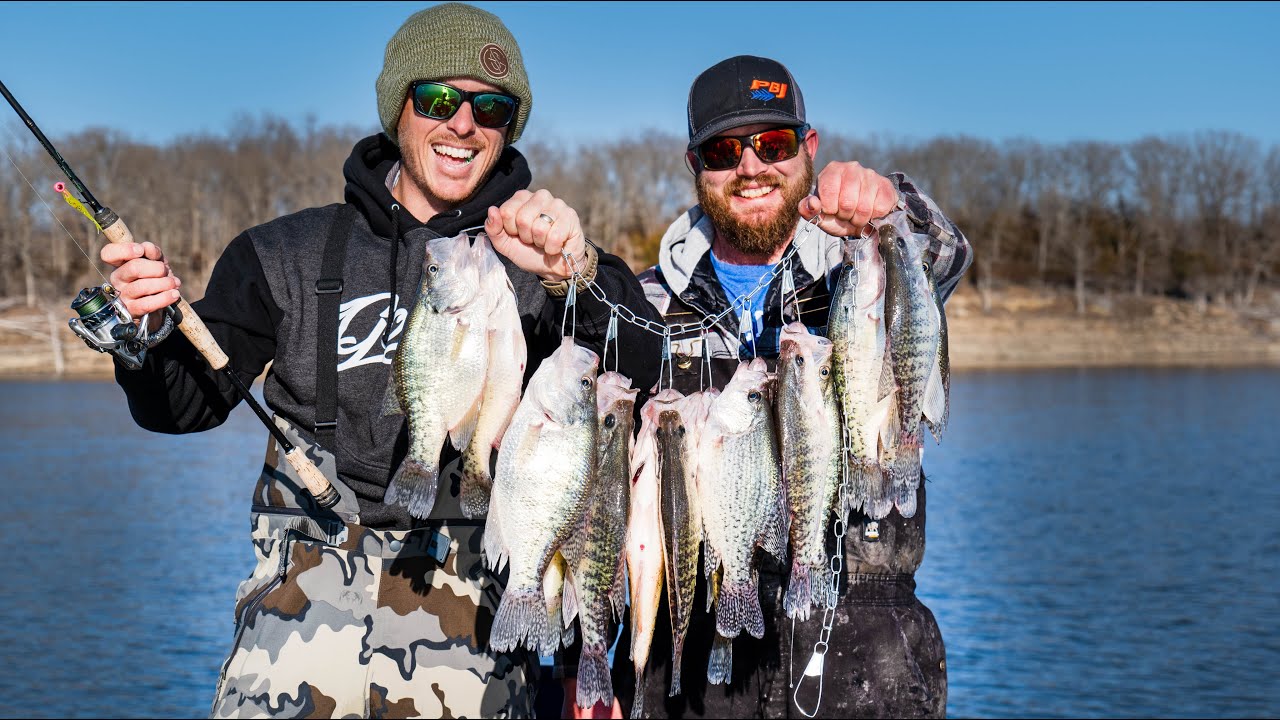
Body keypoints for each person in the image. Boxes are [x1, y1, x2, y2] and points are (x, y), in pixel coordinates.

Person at [100, 3, 661, 717]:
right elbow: (181, 407)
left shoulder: (539, 258)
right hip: (291, 634)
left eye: (490, 108)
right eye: (437, 99)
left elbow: (642, 369)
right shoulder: (282, 254)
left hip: (473, 644)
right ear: (397, 108)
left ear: (509, 128)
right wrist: (141, 333)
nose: (463, 124)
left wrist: (577, 272)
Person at [607, 55, 974, 718]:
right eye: (724, 150)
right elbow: (610, 501)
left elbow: (946, 256)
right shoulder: (642, 304)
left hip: (866, 661)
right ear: (696, 166)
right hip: (689, 669)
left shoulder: (862, 265)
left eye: (772, 144)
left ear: (809, 148)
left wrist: (892, 209)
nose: (751, 167)